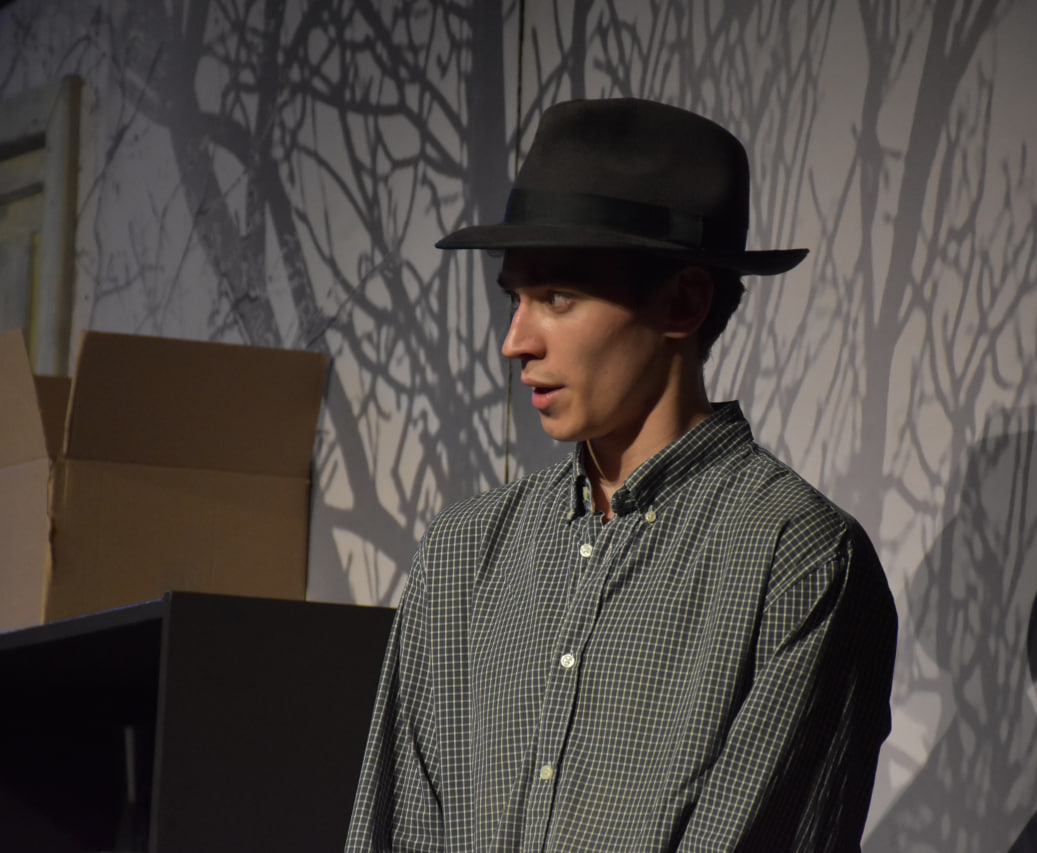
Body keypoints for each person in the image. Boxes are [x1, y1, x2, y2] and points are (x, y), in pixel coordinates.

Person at [345, 98, 897, 852]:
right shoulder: (462, 554)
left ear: (683, 301)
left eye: (557, 297)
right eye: (514, 297)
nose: (515, 340)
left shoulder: (797, 562)